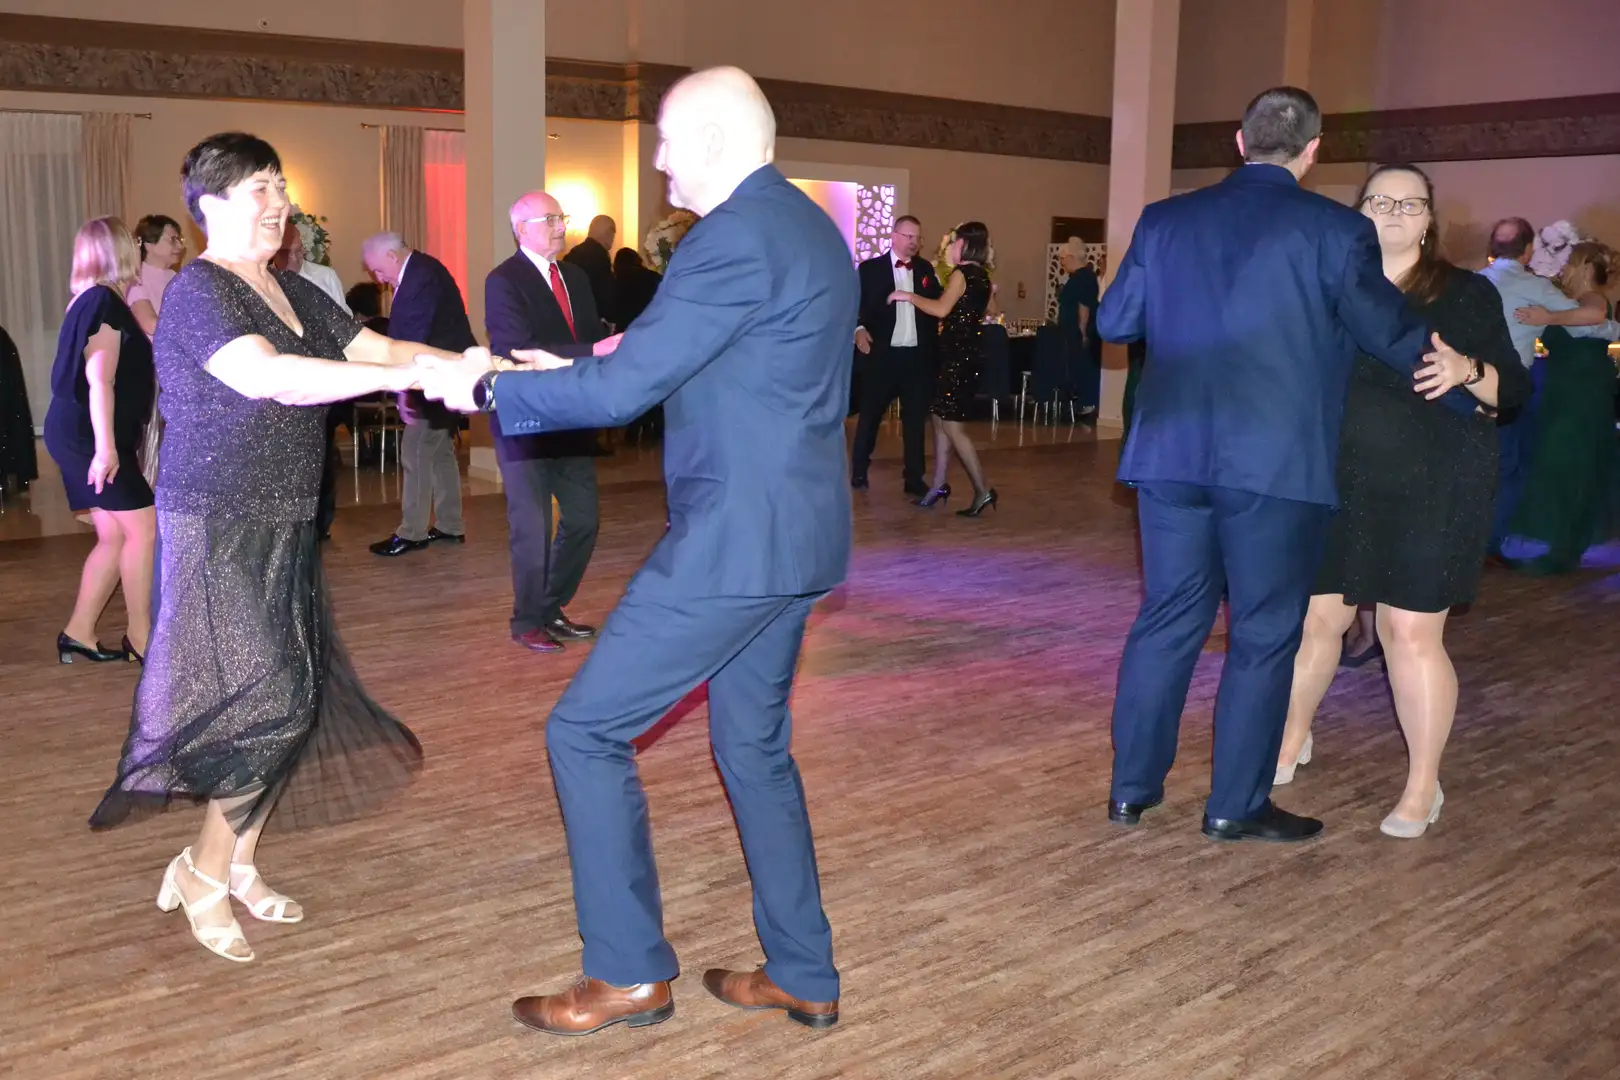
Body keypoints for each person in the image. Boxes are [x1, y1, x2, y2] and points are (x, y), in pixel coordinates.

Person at [419, 65, 851, 1038]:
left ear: (713, 141)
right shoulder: (805, 226)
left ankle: (626, 973)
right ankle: (803, 971)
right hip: (796, 537)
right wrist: (562, 363)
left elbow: (625, 395)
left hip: (735, 543)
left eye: (665, 140)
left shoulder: (730, 237)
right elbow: (664, 355)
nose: (657, 162)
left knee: (584, 732)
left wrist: (489, 389)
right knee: (754, 750)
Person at [87, 132, 469, 964]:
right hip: (218, 518)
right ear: (211, 204)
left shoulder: (291, 288)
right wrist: (409, 376)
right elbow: (271, 377)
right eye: (260, 187)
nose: (278, 202)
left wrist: (470, 365)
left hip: (287, 516)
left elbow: (375, 346)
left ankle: (236, 861)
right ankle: (202, 871)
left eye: (280, 186)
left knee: (289, 692)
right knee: (268, 699)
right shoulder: (200, 291)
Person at [1096, 87, 1476, 843]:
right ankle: (1234, 805)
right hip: (1274, 466)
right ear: (1312, 151)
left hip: (1169, 458)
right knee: (1264, 634)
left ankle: (1131, 792)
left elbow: (1115, 321)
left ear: (1240, 142)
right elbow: (1387, 332)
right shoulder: (1334, 230)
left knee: (1166, 621)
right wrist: (1464, 383)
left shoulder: (1165, 220)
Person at [1274, 165, 1528, 838]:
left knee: (1407, 633)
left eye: (1409, 204)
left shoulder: (1463, 292)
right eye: (1378, 200)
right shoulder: (1327, 285)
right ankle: (1291, 737)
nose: (1392, 211)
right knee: (1315, 619)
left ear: (1428, 221)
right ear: (1357, 213)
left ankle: (1423, 786)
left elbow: (1512, 391)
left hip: (1433, 483)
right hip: (1337, 479)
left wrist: (1467, 371)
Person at [485, 191, 606, 654]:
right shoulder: (504, 280)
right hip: (526, 418)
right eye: (550, 219)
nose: (561, 226)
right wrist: (592, 352)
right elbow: (516, 349)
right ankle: (527, 620)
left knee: (584, 520)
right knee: (532, 528)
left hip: (572, 415)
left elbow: (591, 336)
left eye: (561, 217)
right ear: (522, 229)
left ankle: (550, 606)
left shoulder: (576, 276)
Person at [42, 216, 157, 664]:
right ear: (117, 250)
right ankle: (141, 638)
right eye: (132, 240)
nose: (138, 246)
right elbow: (99, 379)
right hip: (89, 435)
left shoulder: (93, 299)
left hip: (82, 431)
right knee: (143, 527)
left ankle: (79, 632)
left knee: (115, 536)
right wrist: (106, 448)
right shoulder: (103, 303)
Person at [1477, 219, 1620, 557]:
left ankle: (1498, 537)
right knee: (1514, 464)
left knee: (1530, 460)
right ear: (1528, 250)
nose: (1563, 267)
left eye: (1570, 262)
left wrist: (1549, 318)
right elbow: (1593, 326)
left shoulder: (1474, 280)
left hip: (1575, 386)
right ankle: (1493, 541)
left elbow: (1594, 319)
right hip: (1544, 385)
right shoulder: (1539, 289)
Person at [362, 233, 475, 556]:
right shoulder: (424, 270)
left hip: (433, 378)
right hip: (445, 375)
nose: (378, 278)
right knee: (439, 452)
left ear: (392, 256)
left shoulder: (420, 277)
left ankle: (412, 532)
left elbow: (411, 341)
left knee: (415, 450)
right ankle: (450, 524)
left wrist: (404, 392)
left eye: (377, 269)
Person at [892, 221, 998, 515]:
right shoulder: (982, 275)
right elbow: (991, 310)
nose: (950, 247)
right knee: (940, 419)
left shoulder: (962, 275)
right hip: (964, 355)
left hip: (958, 358)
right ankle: (938, 486)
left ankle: (983, 490)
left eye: (954, 242)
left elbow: (941, 309)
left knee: (951, 425)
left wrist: (908, 296)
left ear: (964, 245)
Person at [850, 215, 942, 497]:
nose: (914, 242)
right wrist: (858, 329)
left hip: (915, 357)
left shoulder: (925, 269)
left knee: (915, 421)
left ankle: (914, 478)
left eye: (918, 238)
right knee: (870, 416)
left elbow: (937, 306)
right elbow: (853, 305)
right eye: (909, 236)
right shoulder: (870, 269)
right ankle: (859, 471)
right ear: (894, 235)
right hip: (882, 356)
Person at [1056, 238, 1101, 421]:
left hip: (1080, 332)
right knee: (1079, 365)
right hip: (1074, 331)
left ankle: (1087, 403)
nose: (1061, 262)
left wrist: (1082, 332)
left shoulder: (1083, 278)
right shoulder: (1081, 277)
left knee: (1084, 365)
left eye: (1063, 258)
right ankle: (1083, 402)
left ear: (1072, 257)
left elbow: (1084, 307)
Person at [563, 214, 619, 329]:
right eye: (613, 233)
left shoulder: (572, 255)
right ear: (608, 233)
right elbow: (606, 293)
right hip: (593, 322)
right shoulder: (600, 257)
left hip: (572, 321)